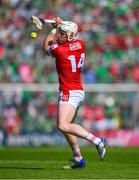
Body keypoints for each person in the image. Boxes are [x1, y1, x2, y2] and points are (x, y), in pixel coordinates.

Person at [32, 16, 108, 169]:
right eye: (60, 33)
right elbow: (73, 31)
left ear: (69, 35)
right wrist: (61, 25)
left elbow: (46, 45)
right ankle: (78, 158)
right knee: (67, 126)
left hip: (69, 91)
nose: (59, 36)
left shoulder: (59, 51)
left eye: (62, 34)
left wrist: (53, 28)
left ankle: (98, 141)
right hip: (78, 90)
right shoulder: (81, 44)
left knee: (62, 125)